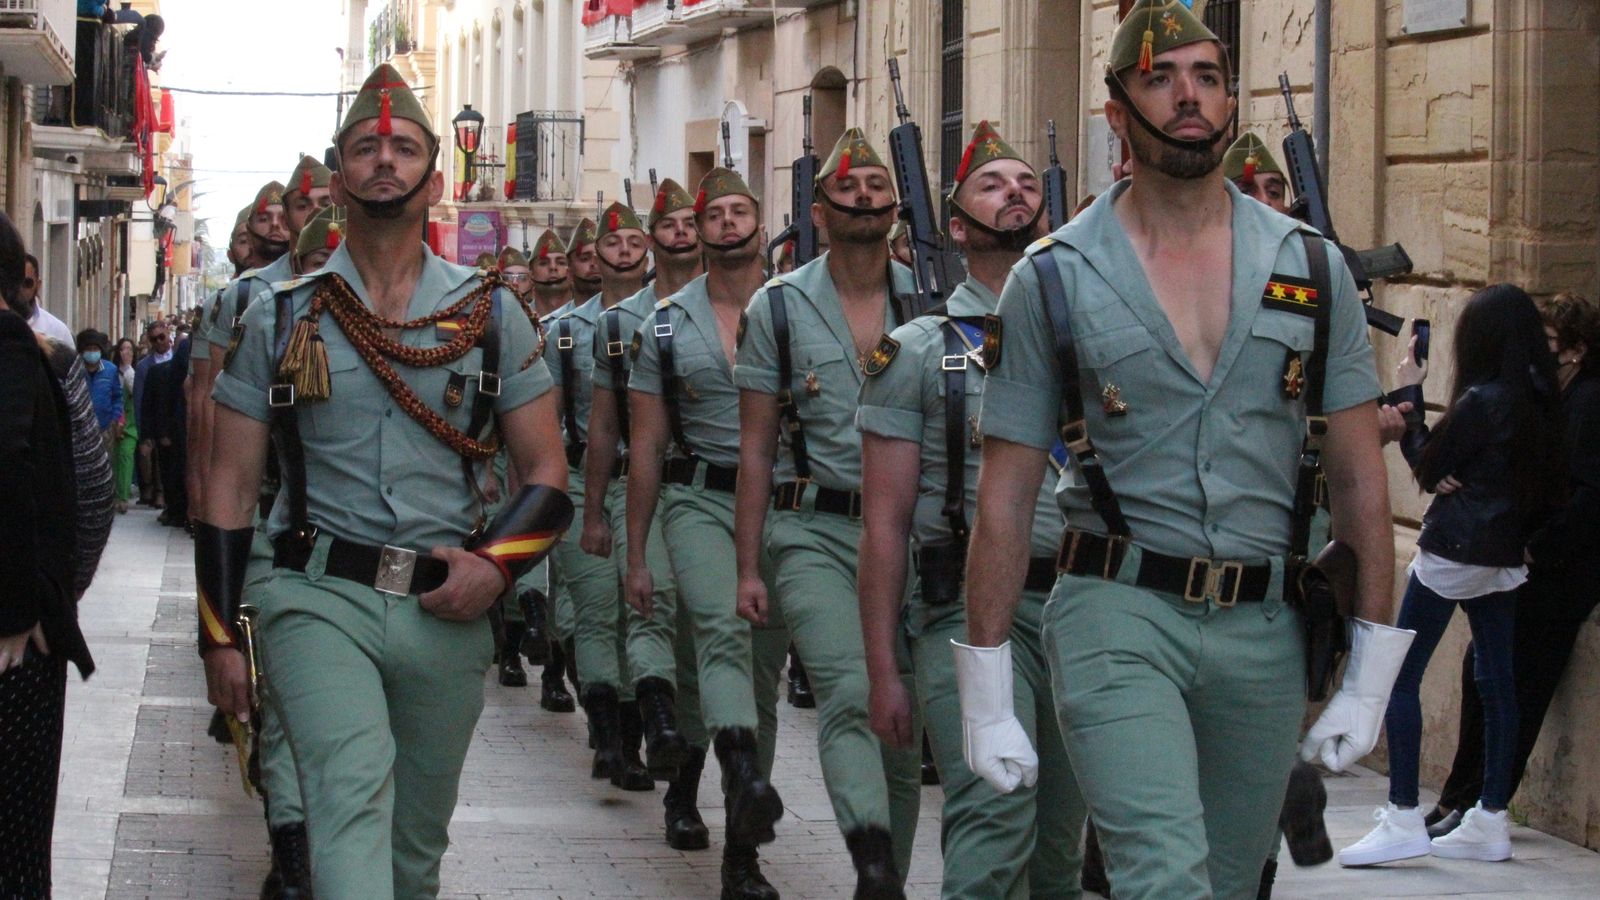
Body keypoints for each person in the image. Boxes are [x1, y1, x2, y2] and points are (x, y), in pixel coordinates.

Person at [960, 3, 1408, 897]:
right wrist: (986, 688)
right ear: (1118, 112)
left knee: (1235, 882)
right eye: (1161, 79)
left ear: (1232, 99)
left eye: (1206, 76)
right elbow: (1005, 503)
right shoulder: (1051, 278)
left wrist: (1369, 677)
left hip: (1264, 627)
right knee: (1163, 876)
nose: (1188, 95)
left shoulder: (1313, 270)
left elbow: (1363, 487)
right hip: (1116, 614)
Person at [201, 64, 568, 897]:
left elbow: (547, 472)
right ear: (338, 178)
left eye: (404, 147)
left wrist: (496, 566)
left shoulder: (491, 316)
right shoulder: (281, 316)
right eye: (366, 146)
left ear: (433, 178)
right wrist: (218, 633)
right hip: (315, 594)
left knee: (414, 853)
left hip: (446, 604)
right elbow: (227, 488)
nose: (384, 160)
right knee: (348, 801)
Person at [858, 120, 1086, 899]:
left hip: (1080, 606)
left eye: (1026, 184)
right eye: (992, 184)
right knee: (997, 815)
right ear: (955, 226)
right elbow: (883, 526)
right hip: (961, 609)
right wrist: (884, 669)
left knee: (1061, 843)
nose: (1014, 192)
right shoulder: (917, 352)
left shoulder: (1086, 342)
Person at [733, 126, 922, 896]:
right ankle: (870, 855)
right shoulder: (778, 308)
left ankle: (889, 881)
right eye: (850, 190)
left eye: (878, 189)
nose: (866, 200)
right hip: (812, 529)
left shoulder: (931, 299)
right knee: (849, 689)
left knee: (903, 727)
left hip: (914, 535)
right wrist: (748, 564)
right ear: (818, 211)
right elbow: (754, 450)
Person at [1341, 284, 1566, 867]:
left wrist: (1409, 386)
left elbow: (1427, 466)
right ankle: (1490, 817)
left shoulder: (1483, 400)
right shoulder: (1542, 399)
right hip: (1502, 555)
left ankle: (1402, 814)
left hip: (1454, 551)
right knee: (1498, 684)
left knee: (1401, 676)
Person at [626, 166, 792, 898]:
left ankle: (739, 849)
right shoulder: (663, 323)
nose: (726, 223)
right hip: (700, 501)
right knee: (724, 628)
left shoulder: (800, 307)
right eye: (713, 213)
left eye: (738, 211)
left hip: (787, 507)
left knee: (758, 676)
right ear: (697, 228)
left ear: (760, 222)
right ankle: (743, 770)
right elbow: (645, 447)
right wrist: (635, 550)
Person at [1428, 292, 1600, 837]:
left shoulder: (1590, 403)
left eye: (1550, 345)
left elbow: (1587, 498)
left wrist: (1536, 547)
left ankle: (1484, 804)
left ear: (1576, 352)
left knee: (1514, 683)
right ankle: (1461, 799)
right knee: (1486, 670)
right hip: (1522, 563)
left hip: (1556, 574)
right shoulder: (1545, 400)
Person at [585, 179, 708, 832]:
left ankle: (685, 789)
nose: (683, 233)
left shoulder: (741, 310)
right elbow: (604, 426)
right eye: (672, 224)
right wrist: (594, 511)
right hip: (647, 484)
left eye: (694, 222)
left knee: (704, 646)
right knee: (649, 602)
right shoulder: (617, 324)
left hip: (719, 494)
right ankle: (656, 719)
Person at [0, 209, 95, 898]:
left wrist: (26, 604)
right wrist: (57, 597)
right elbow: (90, 495)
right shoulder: (38, 355)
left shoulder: (16, 358)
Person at [548, 202, 656, 792]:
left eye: (630, 241)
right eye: (609, 244)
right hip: (579, 477)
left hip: (648, 483)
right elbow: (542, 416)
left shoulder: (668, 318)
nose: (619, 252)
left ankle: (636, 740)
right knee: (595, 612)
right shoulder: (564, 332)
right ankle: (610, 738)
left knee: (639, 611)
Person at [134, 319, 174, 506]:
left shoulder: (180, 359)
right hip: (155, 419)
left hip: (174, 418)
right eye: (154, 339)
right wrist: (144, 432)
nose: (159, 342)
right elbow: (140, 399)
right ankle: (158, 492)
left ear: (167, 333)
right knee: (157, 458)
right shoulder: (143, 366)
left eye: (161, 337)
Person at [17, 254, 74, 346]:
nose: (20, 289)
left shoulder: (58, 331)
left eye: (27, 283)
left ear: (37, 284)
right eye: (15, 282)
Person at [113, 338, 139, 512]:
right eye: (123, 349)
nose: (126, 352)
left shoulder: (133, 372)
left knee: (125, 457)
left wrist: (128, 368)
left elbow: (135, 390)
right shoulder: (112, 372)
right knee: (114, 460)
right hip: (113, 423)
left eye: (130, 349)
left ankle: (123, 496)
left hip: (130, 425)